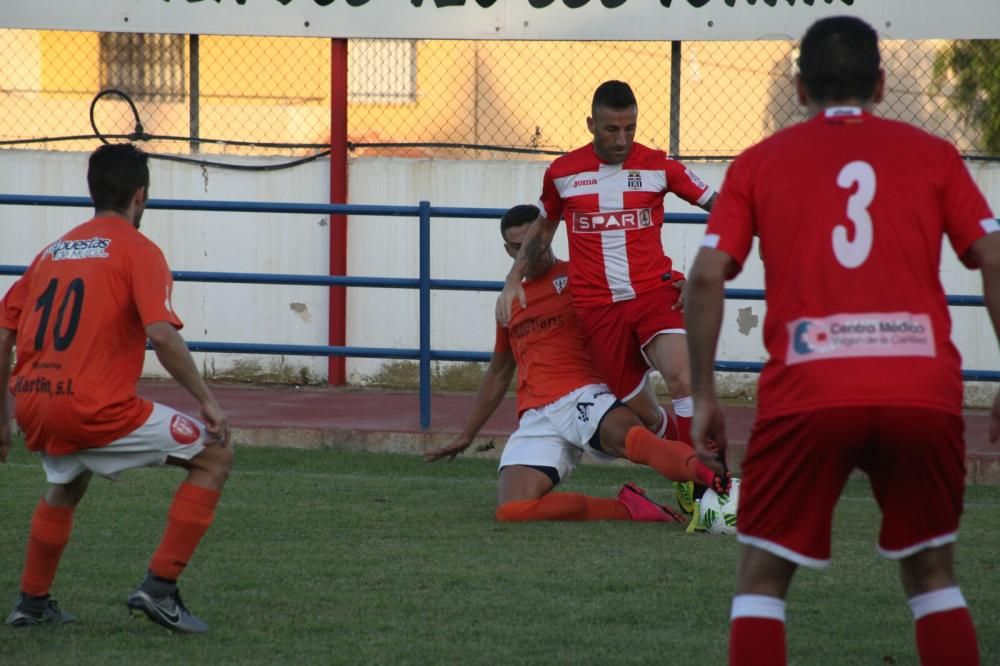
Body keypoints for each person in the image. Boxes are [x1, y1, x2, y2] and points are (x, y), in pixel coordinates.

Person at [684, 16, 998, 665]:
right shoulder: (934, 154)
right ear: (881, 84)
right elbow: (994, 255)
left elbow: (707, 276)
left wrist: (705, 395)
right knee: (934, 578)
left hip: (809, 389)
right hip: (921, 388)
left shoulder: (758, 163)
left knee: (762, 582)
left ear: (800, 89)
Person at [0, 143, 234, 634]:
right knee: (215, 456)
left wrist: (3, 415)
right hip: (94, 406)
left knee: (68, 480)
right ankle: (160, 590)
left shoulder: (53, 252)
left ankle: (33, 602)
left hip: (37, 404)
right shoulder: (137, 248)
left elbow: (4, 332)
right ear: (140, 195)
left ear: (93, 191)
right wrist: (208, 402)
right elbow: (162, 334)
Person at [496, 80, 718, 513]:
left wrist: (707, 273)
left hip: (655, 293)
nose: (621, 140)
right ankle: (684, 471)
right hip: (598, 312)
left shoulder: (660, 167)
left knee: (683, 377)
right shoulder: (562, 173)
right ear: (591, 125)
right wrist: (512, 279)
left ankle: (707, 490)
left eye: (629, 129)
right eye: (611, 130)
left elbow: (721, 205)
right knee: (649, 418)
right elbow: (543, 229)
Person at [427, 204, 727, 524]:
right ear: (508, 250)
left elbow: (640, 281)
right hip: (537, 416)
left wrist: (680, 282)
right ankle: (631, 508)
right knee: (512, 510)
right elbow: (500, 372)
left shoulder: (582, 275)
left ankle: (711, 478)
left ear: (547, 236)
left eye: (535, 241)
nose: (531, 252)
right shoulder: (511, 301)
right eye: (518, 247)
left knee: (639, 439)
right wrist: (468, 433)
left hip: (585, 393)